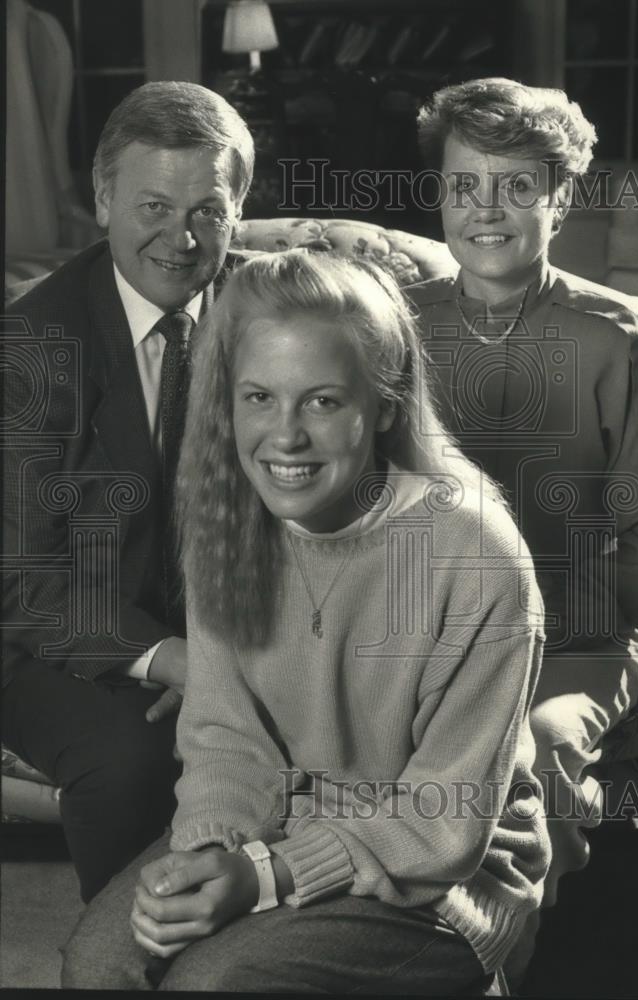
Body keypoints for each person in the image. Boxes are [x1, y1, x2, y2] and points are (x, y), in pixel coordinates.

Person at [62, 250, 549, 993]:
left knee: (211, 982)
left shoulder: (475, 555)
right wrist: (211, 849)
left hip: (443, 872)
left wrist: (261, 877)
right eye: (259, 397)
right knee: (97, 963)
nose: (284, 437)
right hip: (279, 827)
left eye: (322, 402)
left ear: (384, 406)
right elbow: (227, 740)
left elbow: (442, 823)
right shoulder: (230, 519)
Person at [407, 77, 638, 903]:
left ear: (561, 203)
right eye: (464, 187)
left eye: (516, 189)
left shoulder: (620, 334)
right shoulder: (392, 322)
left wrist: (537, 627)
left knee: (537, 745)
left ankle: (539, 936)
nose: (485, 210)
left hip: (585, 631)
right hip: (430, 626)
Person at [2, 81, 254, 902]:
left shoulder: (277, 311)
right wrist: (176, 658)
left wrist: (232, 655)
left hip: (227, 625)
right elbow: (23, 581)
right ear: (105, 198)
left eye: (208, 211)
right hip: (49, 631)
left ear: (238, 210)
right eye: (152, 205)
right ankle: (133, 956)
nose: (180, 239)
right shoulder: (32, 347)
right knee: (131, 759)